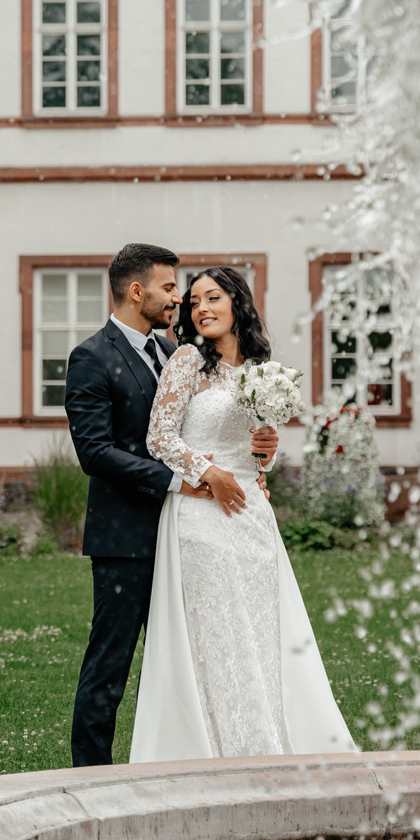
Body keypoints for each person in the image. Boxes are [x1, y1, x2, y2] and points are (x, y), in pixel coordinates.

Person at [64, 243, 279, 766]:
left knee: (192, 657)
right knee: (110, 664)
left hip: (192, 534)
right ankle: (92, 778)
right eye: (168, 289)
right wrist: (178, 482)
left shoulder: (177, 352)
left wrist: (259, 453)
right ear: (136, 291)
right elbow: (95, 452)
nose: (178, 301)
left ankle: (193, 754)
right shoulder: (91, 357)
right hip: (128, 537)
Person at [131, 265, 355, 761]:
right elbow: (159, 438)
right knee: (217, 632)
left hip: (252, 514)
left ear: (238, 303)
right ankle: (215, 746)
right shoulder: (188, 360)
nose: (202, 309)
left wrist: (267, 449)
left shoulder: (260, 370)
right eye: (194, 303)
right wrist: (209, 475)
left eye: (213, 298)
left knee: (259, 630)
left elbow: (258, 454)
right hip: (200, 516)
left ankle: (267, 741)